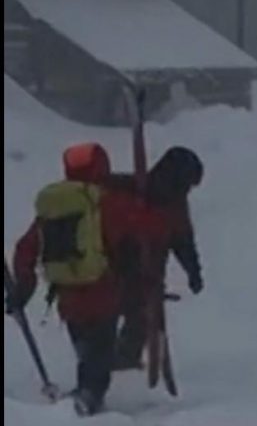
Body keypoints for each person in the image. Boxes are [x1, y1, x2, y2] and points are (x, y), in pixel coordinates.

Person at [8, 143, 142, 416]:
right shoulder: (106, 202)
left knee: (86, 349)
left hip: (67, 294)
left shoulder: (55, 206)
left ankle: (84, 399)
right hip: (103, 290)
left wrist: (24, 287)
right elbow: (130, 240)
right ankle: (87, 403)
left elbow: (26, 248)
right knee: (100, 352)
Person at [110, 146, 205, 370]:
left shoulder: (175, 205)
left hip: (148, 273)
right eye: (188, 184)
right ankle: (104, 361)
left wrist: (194, 271)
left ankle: (123, 361)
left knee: (141, 318)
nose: (188, 190)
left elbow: (183, 242)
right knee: (110, 315)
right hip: (117, 267)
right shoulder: (132, 190)